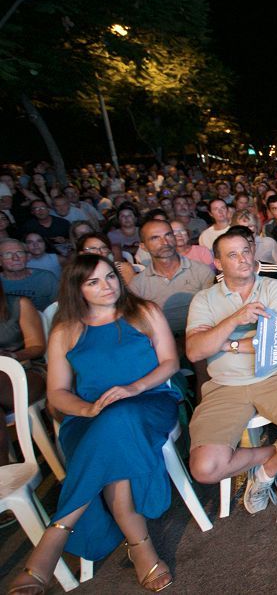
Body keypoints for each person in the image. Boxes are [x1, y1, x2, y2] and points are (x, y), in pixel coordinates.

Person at [6, 254, 179, 593]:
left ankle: (56, 534)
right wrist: (86, 411)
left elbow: (170, 362)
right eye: (93, 282)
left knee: (119, 419)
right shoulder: (66, 330)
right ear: (78, 289)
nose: (107, 286)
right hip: (89, 416)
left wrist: (133, 387)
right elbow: (57, 392)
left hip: (148, 401)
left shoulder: (144, 312)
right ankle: (139, 542)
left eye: (110, 277)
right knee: (113, 427)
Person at [185, 230, 277, 514]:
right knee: (205, 468)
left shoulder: (272, 288)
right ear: (217, 263)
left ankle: (266, 471)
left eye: (246, 251)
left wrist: (227, 344)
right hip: (225, 386)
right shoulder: (204, 299)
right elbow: (194, 351)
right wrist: (236, 319)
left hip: (274, 376)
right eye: (233, 254)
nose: (243, 259)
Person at [129, 219, 215, 336]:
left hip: (200, 337)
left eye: (168, 235)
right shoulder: (137, 285)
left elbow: (213, 314)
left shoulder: (201, 271)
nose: (164, 242)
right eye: (155, 238)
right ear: (143, 246)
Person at [0, 278, 46, 467]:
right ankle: (3, 477)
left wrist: (11, 355)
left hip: (27, 371)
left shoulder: (18, 304)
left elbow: (37, 346)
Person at [0, 238, 58, 312]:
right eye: (7, 254)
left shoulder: (46, 278)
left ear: (27, 257)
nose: (15, 258)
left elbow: (61, 306)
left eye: (20, 253)